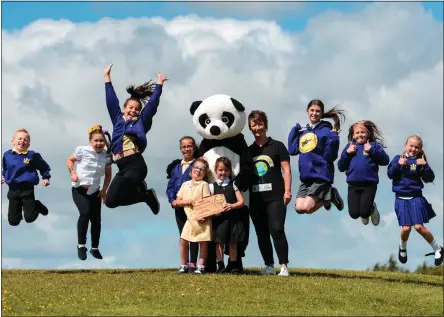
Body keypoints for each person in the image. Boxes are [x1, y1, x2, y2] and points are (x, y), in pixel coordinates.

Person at [103, 63, 168, 213]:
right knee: (110, 202)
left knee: (128, 180)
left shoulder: (141, 122)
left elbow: (152, 105)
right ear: (124, 108)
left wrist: (159, 85)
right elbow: (111, 101)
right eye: (130, 107)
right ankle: (144, 196)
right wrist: (107, 77)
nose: (133, 111)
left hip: (135, 165)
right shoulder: (118, 120)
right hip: (121, 166)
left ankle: (139, 187)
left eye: (137, 109)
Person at [387, 135, 443, 266]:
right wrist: (399, 166)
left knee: (418, 226)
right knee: (406, 229)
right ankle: (402, 246)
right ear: (405, 146)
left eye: (416, 147)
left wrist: (424, 166)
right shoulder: (398, 159)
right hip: (400, 198)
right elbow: (390, 174)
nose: (413, 149)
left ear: (420, 149)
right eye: (411, 146)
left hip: (416, 197)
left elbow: (429, 178)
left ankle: (438, 249)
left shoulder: (420, 161)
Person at [248, 110, 292, 276]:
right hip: (256, 198)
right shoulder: (249, 150)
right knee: (261, 233)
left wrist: (287, 191)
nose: (257, 127)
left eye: (260, 123)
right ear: (250, 128)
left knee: (277, 229)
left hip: (276, 196)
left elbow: (286, 170)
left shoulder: (278, 146)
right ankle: (269, 266)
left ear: (265, 125)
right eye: (254, 125)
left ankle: (284, 266)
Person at [288, 99, 346, 214]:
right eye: (312, 110)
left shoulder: (326, 130)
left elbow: (331, 156)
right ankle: (330, 196)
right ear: (307, 111)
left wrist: (334, 138)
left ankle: (330, 193)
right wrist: (294, 130)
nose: (314, 113)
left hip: (321, 175)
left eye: (318, 111)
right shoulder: (303, 131)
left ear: (322, 113)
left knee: (308, 208)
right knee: (299, 208)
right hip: (306, 177)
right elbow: (292, 150)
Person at [66, 125, 113, 260]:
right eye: (96, 141)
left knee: (96, 219)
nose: (98, 143)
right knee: (85, 213)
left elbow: (108, 175)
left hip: (95, 191)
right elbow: (69, 160)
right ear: (90, 141)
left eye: (101, 141)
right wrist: (73, 172)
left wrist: (104, 190)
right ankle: (81, 246)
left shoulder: (106, 156)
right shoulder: (82, 151)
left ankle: (95, 248)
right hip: (79, 188)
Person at [338, 120, 389, 226]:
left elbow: (385, 161)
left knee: (364, 212)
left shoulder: (374, 146)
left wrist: (372, 151)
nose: (360, 135)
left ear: (368, 134)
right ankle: (365, 212)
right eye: (357, 133)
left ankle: (372, 208)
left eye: (363, 132)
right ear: (353, 135)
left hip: (369, 184)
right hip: (353, 184)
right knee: (354, 214)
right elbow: (341, 167)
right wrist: (347, 154)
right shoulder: (349, 147)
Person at [2, 128, 50, 226]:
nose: (22, 141)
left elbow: (43, 166)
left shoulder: (31, 155)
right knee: (13, 221)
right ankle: (18, 213)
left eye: (25, 140)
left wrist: (46, 177)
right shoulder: (7, 155)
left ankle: (37, 205)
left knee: (29, 218)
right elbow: (6, 169)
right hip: (13, 190)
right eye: (20, 139)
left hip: (27, 190)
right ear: (13, 141)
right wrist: (3, 177)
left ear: (28, 144)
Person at [166, 136, 200, 272]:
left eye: (189, 146)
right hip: (179, 206)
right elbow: (170, 186)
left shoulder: (198, 165)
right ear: (180, 149)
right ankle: (184, 264)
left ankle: (193, 264)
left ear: (194, 147)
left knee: (194, 234)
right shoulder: (176, 167)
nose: (187, 149)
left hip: (192, 207)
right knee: (183, 235)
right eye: (184, 147)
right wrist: (172, 200)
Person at [174, 158, 212, 274]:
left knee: (202, 242)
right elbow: (177, 202)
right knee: (183, 241)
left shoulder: (204, 184)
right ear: (191, 169)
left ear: (205, 173)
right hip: (189, 219)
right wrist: (188, 202)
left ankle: (200, 266)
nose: (198, 171)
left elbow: (207, 202)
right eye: (196, 168)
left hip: (201, 219)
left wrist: (203, 215)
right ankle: (183, 265)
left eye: (202, 169)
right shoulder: (185, 184)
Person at [209, 157, 245, 273]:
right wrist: (215, 211)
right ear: (216, 170)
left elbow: (241, 201)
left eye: (226, 170)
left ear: (230, 171)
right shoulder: (212, 187)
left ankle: (233, 265)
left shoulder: (233, 185)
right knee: (219, 242)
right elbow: (208, 203)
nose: (223, 173)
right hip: (219, 219)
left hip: (233, 219)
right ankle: (220, 265)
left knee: (232, 242)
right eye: (220, 170)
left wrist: (232, 206)